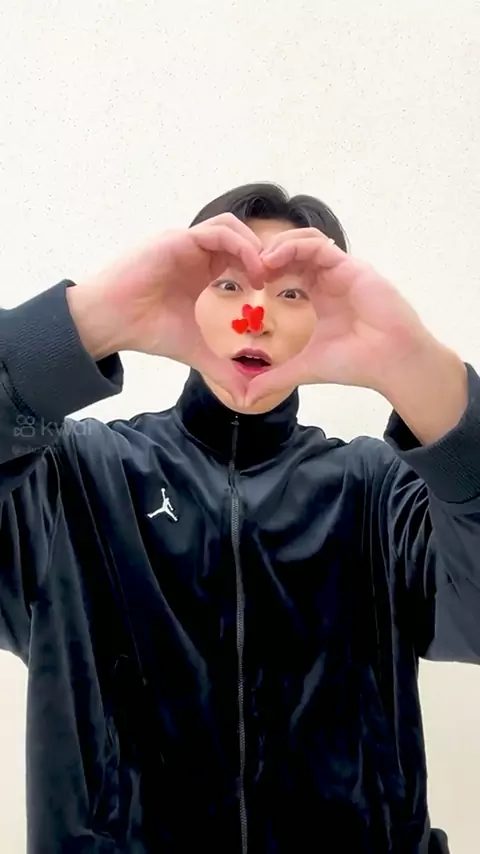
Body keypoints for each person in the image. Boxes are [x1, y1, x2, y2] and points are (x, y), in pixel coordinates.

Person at [0, 182, 476, 854]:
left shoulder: (376, 494)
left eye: (293, 293)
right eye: (228, 285)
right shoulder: (73, 480)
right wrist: (93, 318)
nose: (257, 317)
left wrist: (413, 364)